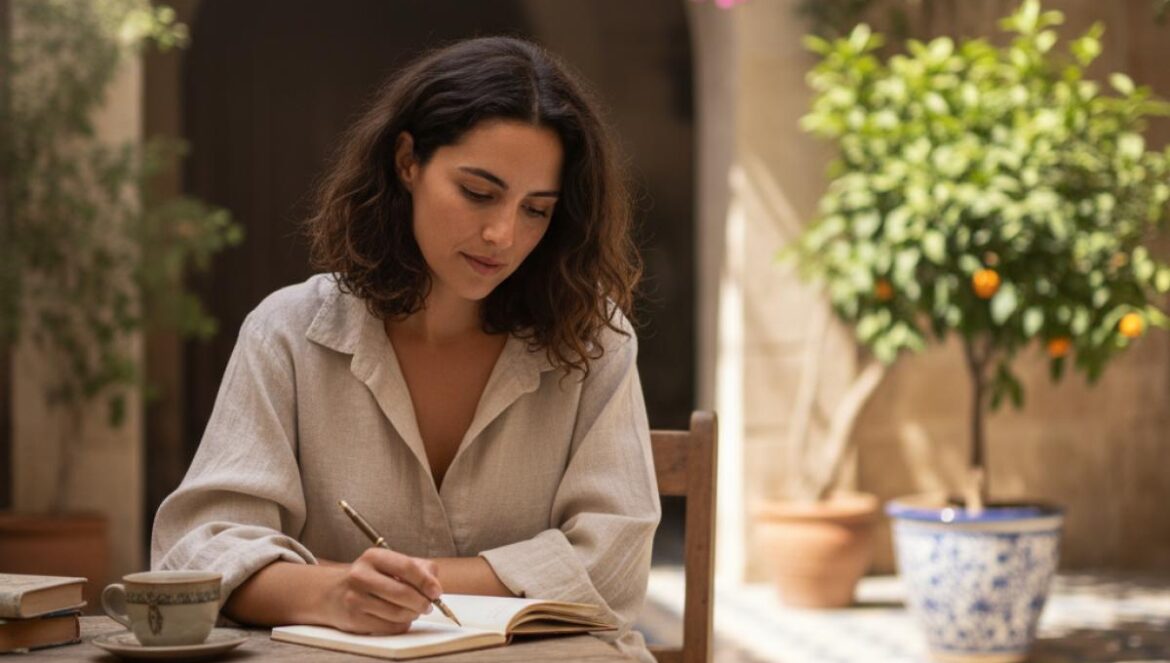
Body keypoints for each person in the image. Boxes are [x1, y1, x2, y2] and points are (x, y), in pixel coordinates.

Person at [150, 36, 661, 662]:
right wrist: (331, 592)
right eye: (478, 192)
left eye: (537, 210)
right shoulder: (288, 331)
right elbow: (198, 551)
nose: (503, 234)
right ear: (407, 160)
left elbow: (614, 568)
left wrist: (408, 583)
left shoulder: (593, 341)